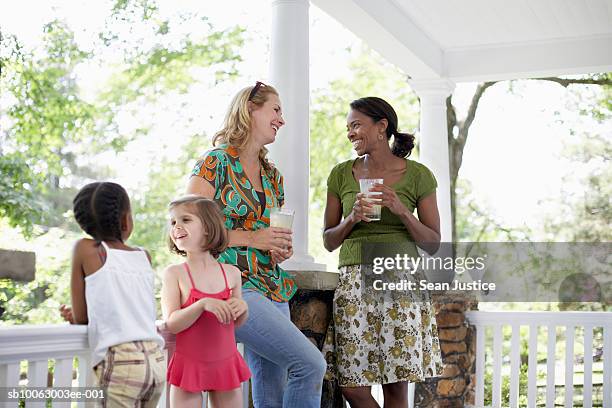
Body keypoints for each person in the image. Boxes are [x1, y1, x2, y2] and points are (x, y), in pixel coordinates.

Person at [186, 82, 326, 407]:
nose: (282, 119)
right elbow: (189, 228)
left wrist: (278, 248)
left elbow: (267, 233)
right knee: (310, 364)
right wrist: (253, 238)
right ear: (251, 108)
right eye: (276, 110)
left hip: (270, 285)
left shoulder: (272, 175)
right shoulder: (215, 162)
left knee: (270, 392)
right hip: (232, 287)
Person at [322, 97, 443, 407]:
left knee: (395, 384)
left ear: (381, 127)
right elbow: (329, 240)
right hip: (354, 281)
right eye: (348, 127)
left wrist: (401, 210)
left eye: (356, 125)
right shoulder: (340, 174)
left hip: (400, 279)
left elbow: (432, 243)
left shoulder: (418, 175)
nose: (350, 132)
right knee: (352, 383)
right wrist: (352, 219)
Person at [62, 181, 165, 407]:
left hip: (123, 364)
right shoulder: (143, 255)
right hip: (156, 361)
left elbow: (82, 318)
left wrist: (75, 315)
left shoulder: (86, 249)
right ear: (126, 219)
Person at [162, 195, 250, 408]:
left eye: (186, 220)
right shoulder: (174, 273)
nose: (177, 226)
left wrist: (243, 309)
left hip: (225, 363)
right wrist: (201, 305)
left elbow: (235, 323)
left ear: (209, 228)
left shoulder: (232, 273)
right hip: (189, 365)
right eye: (173, 222)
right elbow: (172, 323)